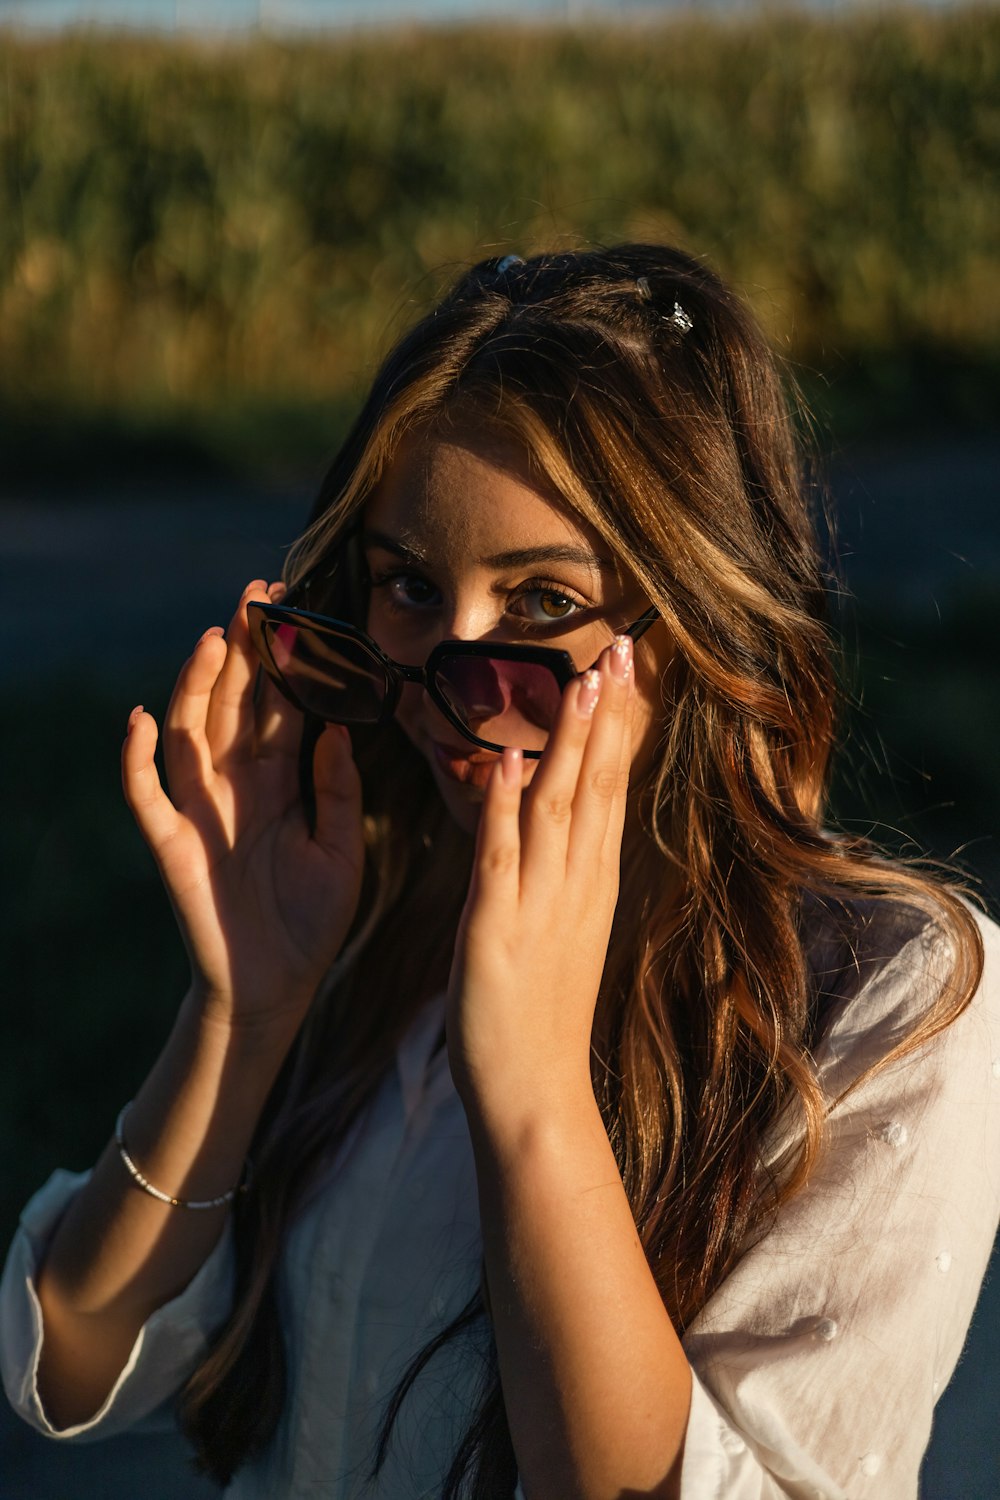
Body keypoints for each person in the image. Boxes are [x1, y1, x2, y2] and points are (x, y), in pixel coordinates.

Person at [2, 245, 998, 1500]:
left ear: (694, 620)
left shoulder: (886, 995)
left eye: (538, 604)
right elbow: (75, 1366)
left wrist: (530, 1085)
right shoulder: (373, 897)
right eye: (408, 588)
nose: (448, 680)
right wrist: (243, 1015)